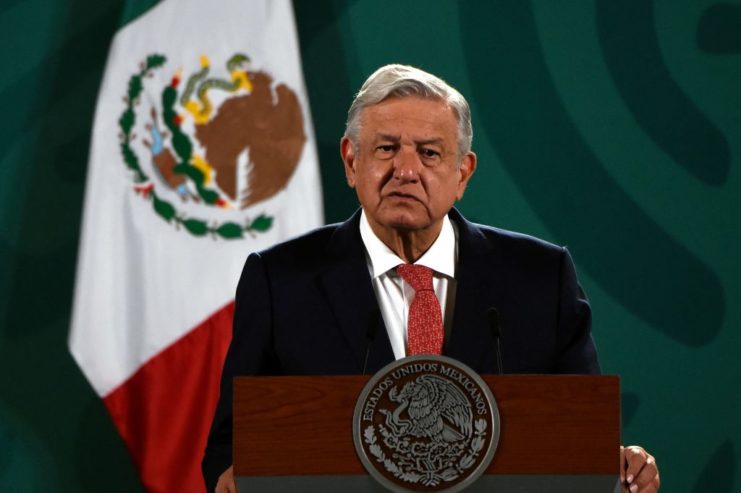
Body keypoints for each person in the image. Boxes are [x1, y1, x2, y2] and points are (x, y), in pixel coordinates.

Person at [202, 64, 660, 493]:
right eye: (386, 149)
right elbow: (230, 447)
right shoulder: (281, 281)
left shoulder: (539, 278)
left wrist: (619, 468)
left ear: (463, 173)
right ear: (350, 160)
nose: (405, 171)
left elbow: (579, 439)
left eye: (429, 153)